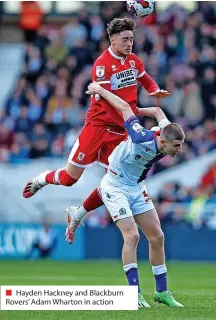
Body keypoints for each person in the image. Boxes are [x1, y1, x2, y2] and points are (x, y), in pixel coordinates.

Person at [23, 17, 169, 234]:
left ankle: (78, 213)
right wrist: (131, 122)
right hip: (98, 127)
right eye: (124, 40)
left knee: (115, 182)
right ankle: (42, 179)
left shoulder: (133, 61)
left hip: (120, 131)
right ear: (112, 40)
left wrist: (154, 90)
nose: (129, 44)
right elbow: (109, 103)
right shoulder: (102, 66)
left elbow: (144, 77)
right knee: (69, 179)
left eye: (131, 39)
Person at [65, 81, 184, 308]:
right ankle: (133, 294)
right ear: (162, 141)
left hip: (137, 187)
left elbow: (158, 111)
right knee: (132, 236)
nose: (179, 150)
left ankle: (162, 292)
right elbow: (125, 109)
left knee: (157, 237)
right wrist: (100, 90)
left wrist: (140, 108)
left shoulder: (166, 131)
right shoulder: (141, 137)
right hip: (116, 184)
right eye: (176, 146)